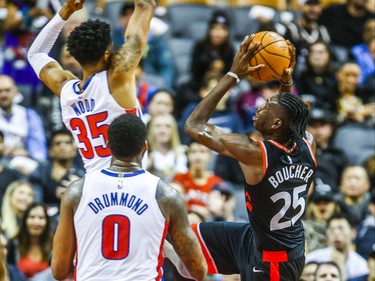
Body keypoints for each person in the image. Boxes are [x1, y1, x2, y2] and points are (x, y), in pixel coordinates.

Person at [175, 35, 317, 280]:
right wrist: (286, 81)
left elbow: (193, 124)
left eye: (267, 105)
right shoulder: (307, 143)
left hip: (275, 263)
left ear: (275, 123)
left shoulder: (254, 154)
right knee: (181, 237)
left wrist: (233, 75)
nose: (260, 105)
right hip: (256, 238)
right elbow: (289, 118)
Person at [51, 114, 207, 280]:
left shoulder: (77, 191)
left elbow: (59, 271)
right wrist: (167, 249)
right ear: (145, 147)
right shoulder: (166, 195)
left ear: (108, 145)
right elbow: (197, 271)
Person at [27, 0, 156, 173]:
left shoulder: (65, 89)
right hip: (129, 180)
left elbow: (36, 53)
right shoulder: (118, 78)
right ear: (106, 54)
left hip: (94, 185)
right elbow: (145, 6)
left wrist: (65, 11)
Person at [306, 214, 369, 281]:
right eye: (332, 229)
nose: (336, 232)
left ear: (353, 233)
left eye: (341, 228)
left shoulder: (361, 265)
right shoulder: (313, 257)